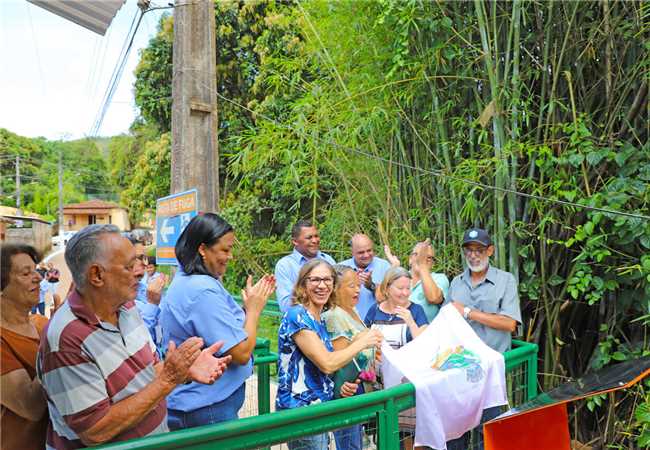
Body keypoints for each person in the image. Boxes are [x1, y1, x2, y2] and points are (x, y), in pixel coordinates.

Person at [37, 224, 230, 449]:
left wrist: (183, 370)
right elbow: (95, 430)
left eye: (140, 262)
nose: (140, 271)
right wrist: (170, 378)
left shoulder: (127, 307)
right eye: (129, 266)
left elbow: (147, 375)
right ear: (97, 275)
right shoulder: (67, 339)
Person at [161, 213, 275, 429]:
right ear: (203, 249)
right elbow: (241, 352)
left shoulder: (189, 281)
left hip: (202, 403)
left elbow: (218, 326)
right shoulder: (201, 291)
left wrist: (247, 307)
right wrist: (254, 311)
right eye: (225, 249)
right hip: (207, 407)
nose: (229, 256)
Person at [276, 259, 382, 450]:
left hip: (320, 406)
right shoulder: (297, 315)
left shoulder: (319, 319)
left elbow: (321, 369)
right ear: (303, 284)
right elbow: (327, 362)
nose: (322, 285)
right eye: (315, 280)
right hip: (301, 410)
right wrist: (361, 342)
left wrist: (340, 387)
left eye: (327, 280)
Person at [446, 227, 522, 450]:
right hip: (459, 369)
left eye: (479, 249)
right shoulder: (456, 283)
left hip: (490, 371)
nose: (473, 255)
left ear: (490, 251)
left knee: (487, 430)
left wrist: (469, 312)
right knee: (456, 431)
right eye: (468, 250)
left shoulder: (505, 281)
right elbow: (447, 318)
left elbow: (510, 323)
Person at [364, 266, 428, 449]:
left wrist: (410, 321)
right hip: (378, 384)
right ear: (387, 287)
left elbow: (424, 345)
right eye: (400, 288)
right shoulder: (373, 311)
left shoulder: (416, 311)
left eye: (408, 288)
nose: (405, 293)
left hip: (406, 384)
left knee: (408, 437)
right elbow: (362, 339)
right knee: (384, 433)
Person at [322, 265, 376, 450]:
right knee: (349, 445)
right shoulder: (334, 315)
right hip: (348, 390)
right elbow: (340, 359)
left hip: (360, 386)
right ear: (335, 289)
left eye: (358, 285)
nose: (358, 289)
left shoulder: (352, 310)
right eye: (351, 285)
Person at [1, 244, 48, 450]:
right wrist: (55, 342)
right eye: (25, 273)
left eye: (35, 270)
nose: (37, 277)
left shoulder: (41, 324)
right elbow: (31, 406)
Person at [275, 220, 336, 312]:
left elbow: (337, 295)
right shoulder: (285, 265)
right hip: (300, 323)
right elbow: (286, 306)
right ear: (295, 241)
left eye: (316, 236)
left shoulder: (328, 260)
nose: (315, 240)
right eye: (309, 237)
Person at [384, 239, 449, 322]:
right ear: (410, 259)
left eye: (428, 257)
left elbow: (434, 298)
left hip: (426, 332)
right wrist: (394, 267)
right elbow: (380, 298)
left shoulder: (439, 278)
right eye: (417, 255)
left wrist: (422, 265)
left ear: (433, 263)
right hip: (397, 330)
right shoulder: (399, 277)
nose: (422, 259)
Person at [339, 233, 391, 319]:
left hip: (379, 323)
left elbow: (391, 298)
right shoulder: (341, 269)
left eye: (369, 250)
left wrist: (371, 285)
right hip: (350, 324)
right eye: (361, 252)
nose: (366, 255)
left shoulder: (384, 266)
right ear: (352, 252)